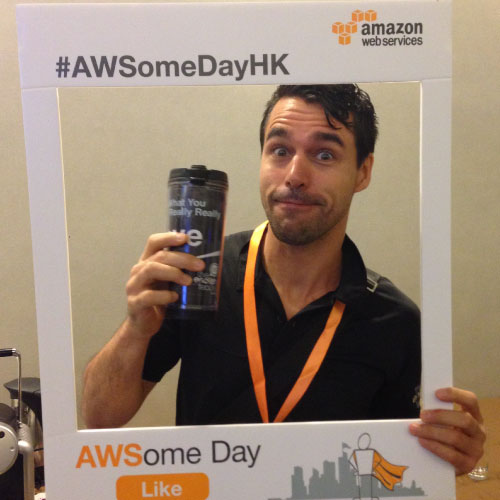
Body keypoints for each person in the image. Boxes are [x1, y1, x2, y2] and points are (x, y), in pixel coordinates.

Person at [82, 84, 485, 476]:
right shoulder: (197, 277)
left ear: (362, 172)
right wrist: (136, 330)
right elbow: (99, 418)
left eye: (324, 154)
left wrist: (446, 456)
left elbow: (398, 469)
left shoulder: (393, 321)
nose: (294, 174)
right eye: (280, 150)